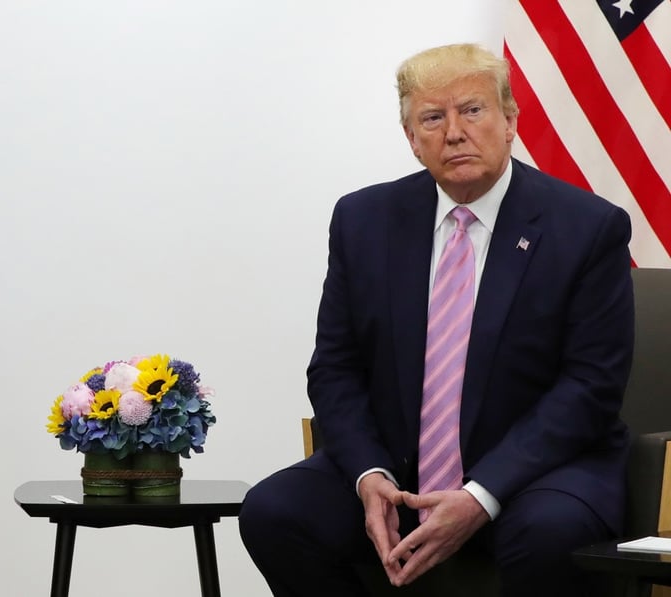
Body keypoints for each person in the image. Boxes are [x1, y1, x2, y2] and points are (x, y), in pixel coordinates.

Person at [239, 43, 633, 596]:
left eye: (472, 110)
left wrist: (481, 494)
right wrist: (367, 475)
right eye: (432, 117)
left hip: (536, 475)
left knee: (550, 533)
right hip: (398, 470)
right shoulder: (362, 221)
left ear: (510, 120)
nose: (454, 132)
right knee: (273, 511)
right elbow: (335, 369)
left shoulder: (588, 228)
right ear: (411, 138)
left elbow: (590, 387)